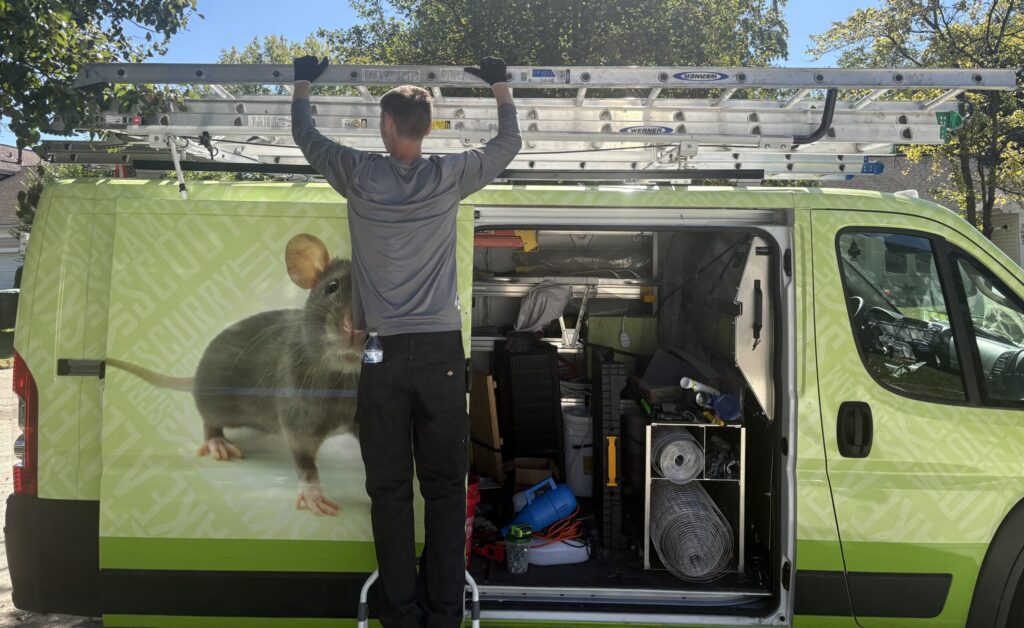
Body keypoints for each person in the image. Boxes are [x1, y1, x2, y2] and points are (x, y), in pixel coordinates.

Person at [291, 56, 521, 627]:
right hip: (442, 352)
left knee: (390, 492)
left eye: (381, 122)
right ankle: (444, 614)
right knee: (444, 490)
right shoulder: (449, 176)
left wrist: (303, 81)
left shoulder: (358, 174)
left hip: (383, 354)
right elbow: (509, 142)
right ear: (424, 128)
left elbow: (305, 134)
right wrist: (498, 82)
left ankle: (403, 614)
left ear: (391, 126)